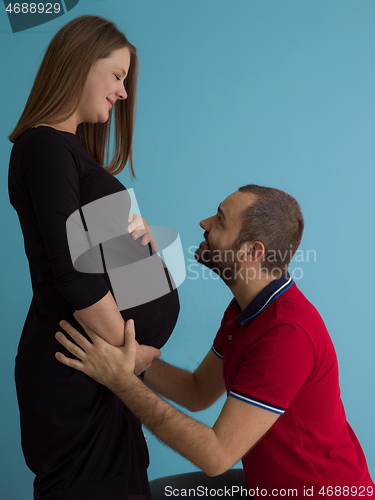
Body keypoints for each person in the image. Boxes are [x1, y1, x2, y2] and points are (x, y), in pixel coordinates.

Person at [54, 185, 374, 499]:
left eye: (220, 219)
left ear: (252, 251)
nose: (204, 223)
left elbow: (216, 457)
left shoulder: (285, 334)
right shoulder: (245, 309)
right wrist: (137, 362)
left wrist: (121, 381)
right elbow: (198, 392)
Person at [8, 15, 179, 500]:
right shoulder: (43, 146)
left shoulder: (67, 153)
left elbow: (93, 257)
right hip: (81, 369)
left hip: (101, 374)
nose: (124, 93)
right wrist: (130, 360)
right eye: (118, 75)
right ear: (81, 61)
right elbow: (74, 276)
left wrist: (140, 243)